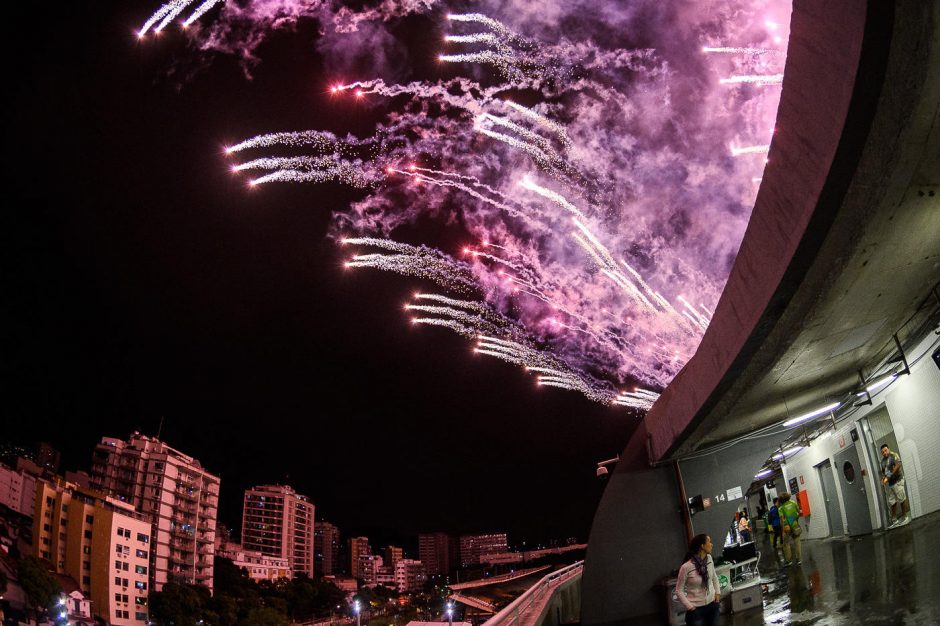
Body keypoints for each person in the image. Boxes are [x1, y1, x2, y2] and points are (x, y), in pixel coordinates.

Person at [675, 534, 721, 626]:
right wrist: (691, 607)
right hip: (696, 610)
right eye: (709, 542)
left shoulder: (709, 559)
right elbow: (678, 591)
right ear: (702, 546)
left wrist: (718, 593)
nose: (712, 544)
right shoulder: (686, 567)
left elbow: (714, 577)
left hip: (712, 605)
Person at [880, 444, 910, 526]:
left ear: (888, 449)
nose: (884, 453)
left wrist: (889, 475)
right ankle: (894, 521)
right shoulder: (882, 461)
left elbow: (898, 464)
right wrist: (883, 479)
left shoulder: (893, 455)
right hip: (890, 484)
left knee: (902, 499)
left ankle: (905, 517)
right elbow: (883, 472)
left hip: (898, 480)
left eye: (885, 450)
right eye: (882, 452)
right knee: (892, 502)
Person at [778, 491, 803, 565]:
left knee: (786, 543)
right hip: (794, 524)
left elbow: (782, 520)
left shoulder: (781, 508)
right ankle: (799, 560)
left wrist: (782, 531)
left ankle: (789, 561)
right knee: (797, 542)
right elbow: (799, 513)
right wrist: (794, 519)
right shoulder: (793, 503)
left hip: (786, 527)